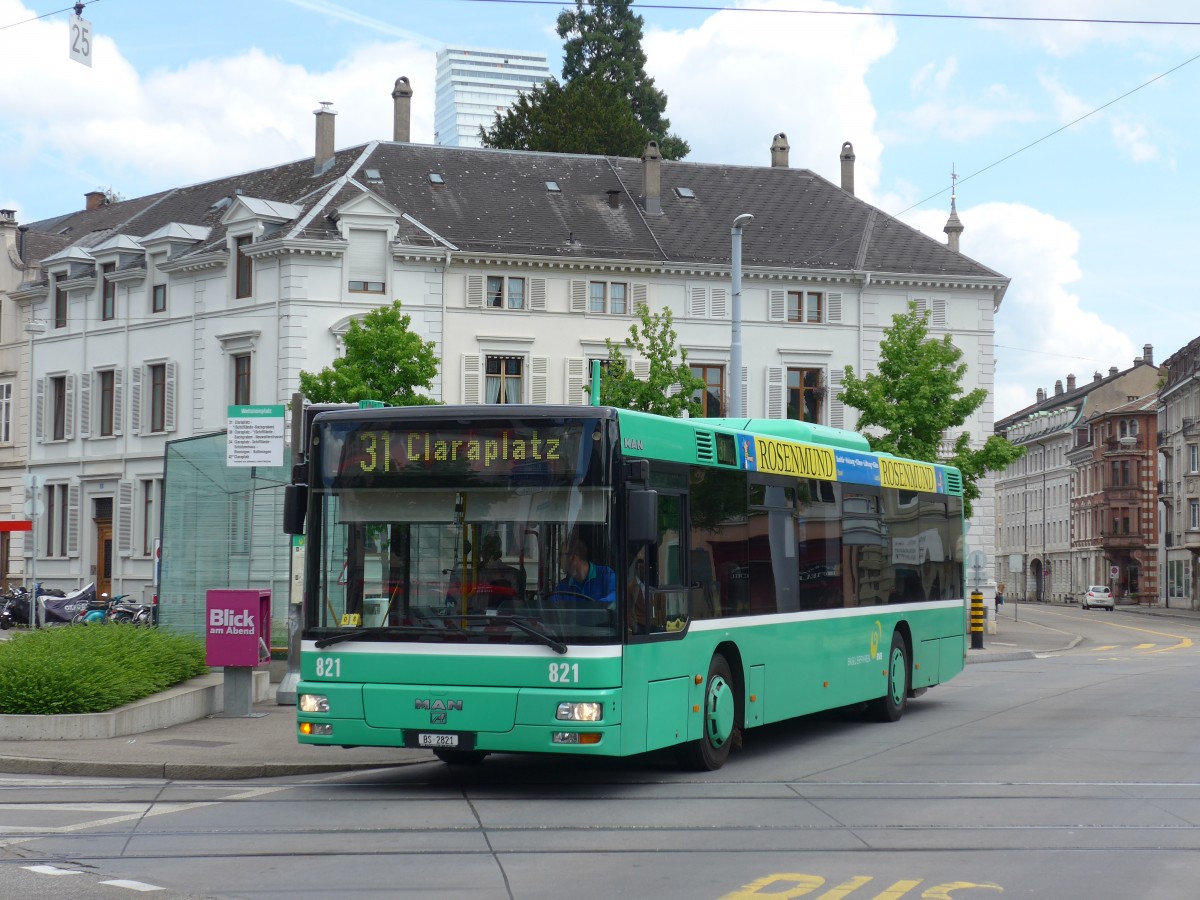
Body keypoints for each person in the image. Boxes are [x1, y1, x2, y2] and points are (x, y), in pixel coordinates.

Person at [553, 537, 616, 605]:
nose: (558, 560)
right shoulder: (563, 586)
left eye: (560, 555)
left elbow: (615, 596)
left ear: (573, 557)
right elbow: (552, 604)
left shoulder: (606, 574)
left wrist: (597, 608)